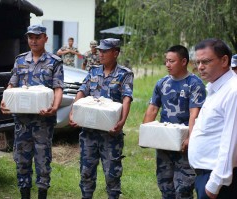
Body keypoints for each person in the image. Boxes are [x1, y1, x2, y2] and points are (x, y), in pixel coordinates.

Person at [0, 25, 64, 199]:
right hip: (22, 121)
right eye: (30, 37)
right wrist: (5, 102)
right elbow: (11, 85)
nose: (33, 41)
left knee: (43, 160)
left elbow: (58, 88)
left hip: (43, 121)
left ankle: (42, 194)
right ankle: (25, 194)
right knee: (21, 160)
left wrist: (55, 107)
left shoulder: (54, 61)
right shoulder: (20, 60)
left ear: (45, 38)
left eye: (37, 37)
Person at [69, 38, 133, 199]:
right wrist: (73, 112)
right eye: (100, 50)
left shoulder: (124, 74)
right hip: (89, 133)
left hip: (110, 134)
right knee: (86, 172)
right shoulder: (93, 71)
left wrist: (122, 122)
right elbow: (82, 91)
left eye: (105, 51)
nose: (100, 53)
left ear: (115, 53)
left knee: (112, 174)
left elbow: (127, 98)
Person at [142, 45, 206, 198]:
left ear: (183, 61)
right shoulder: (162, 83)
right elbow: (152, 109)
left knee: (183, 188)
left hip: (184, 145)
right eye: (166, 61)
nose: (167, 65)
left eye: (171, 61)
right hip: (164, 142)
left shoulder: (195, 84)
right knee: (165, 186)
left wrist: (191, 138)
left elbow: (194, 114)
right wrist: (144, 135)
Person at [188, 38, 237, 199]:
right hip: (206, 174)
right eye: (198, 62)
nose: (200, 67)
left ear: (224, 60)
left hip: (220, 180)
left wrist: (214, 184)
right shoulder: (215, 88)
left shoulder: (233, 91)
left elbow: (231, 141)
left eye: (206, 62)